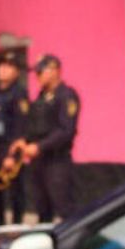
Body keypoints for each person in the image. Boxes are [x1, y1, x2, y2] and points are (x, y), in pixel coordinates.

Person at [9, 54, 80, 223]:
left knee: (65, 209)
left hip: (57, 162)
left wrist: (39, 147)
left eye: (41, 71)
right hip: (38, 163)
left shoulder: (67, 96)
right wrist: (23, 141)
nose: (37, 76)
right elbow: (35, 127)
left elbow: (66, 131)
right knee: (42, 210)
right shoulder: (41, 98)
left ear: (54, 71)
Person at [0, 52, 29, 227]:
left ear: (16, 72)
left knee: (15, 193)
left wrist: (13, 156)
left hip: (10, 150)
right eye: (1, 65)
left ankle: (16, 227)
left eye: (9, 66)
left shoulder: (19, 93)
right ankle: (0, 227)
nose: (3, 69)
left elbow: (22, 125)